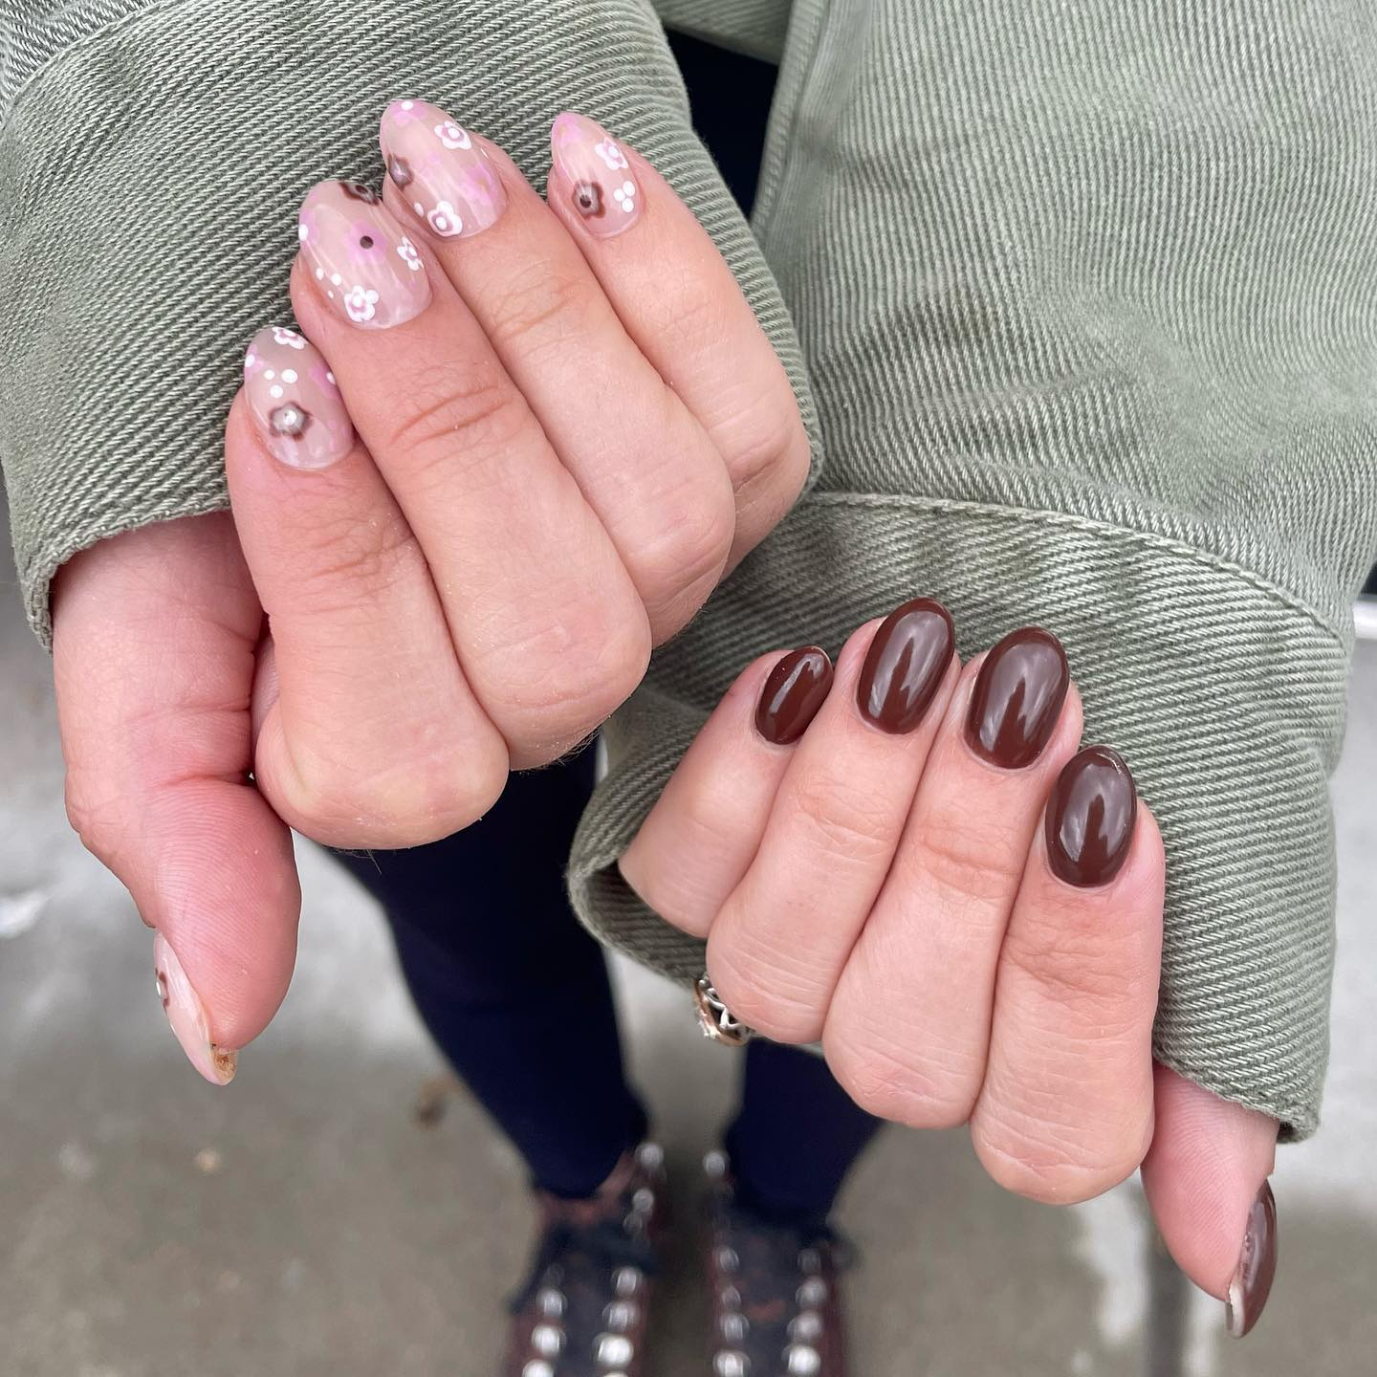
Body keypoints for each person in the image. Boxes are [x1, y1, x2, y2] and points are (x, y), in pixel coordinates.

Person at [5, 2, 1377, 1374]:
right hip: (469, 139)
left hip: (938, 169)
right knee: (456, 874)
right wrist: (218, 91)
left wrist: (1091, 474)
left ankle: (773, 1219)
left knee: (875, 889)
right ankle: (590, 1196)